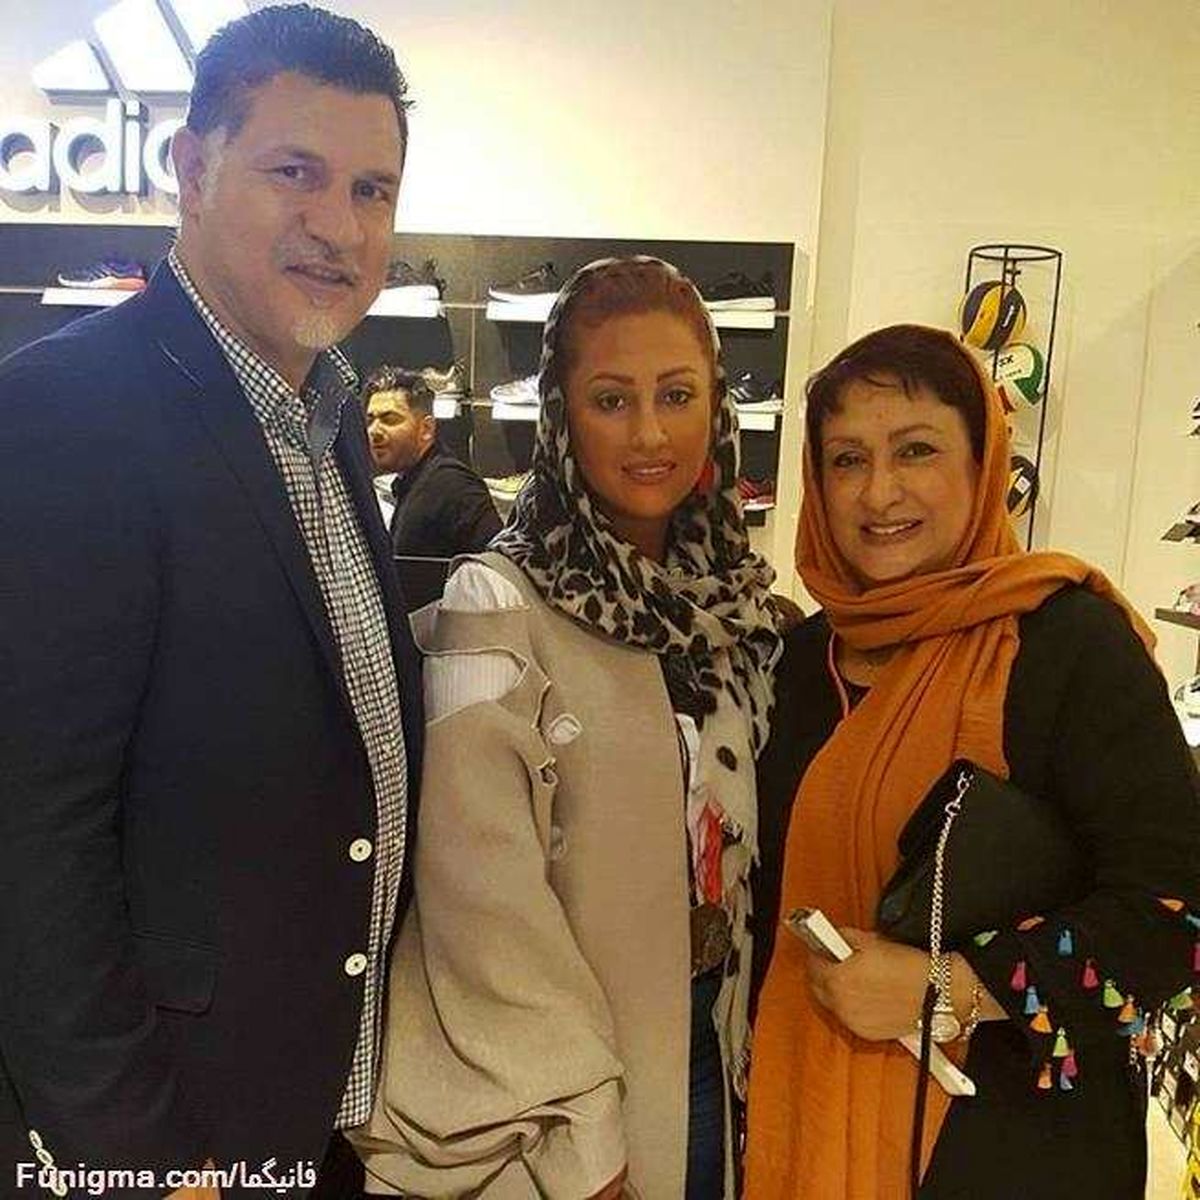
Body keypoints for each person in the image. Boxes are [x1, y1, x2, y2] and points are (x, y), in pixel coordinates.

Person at [0, 6, 423, 1197]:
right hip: (161, 1139)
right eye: (297, 173)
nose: (340, 226)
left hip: (305, 1113)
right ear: (192, 169)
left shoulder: (329, 420)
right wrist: (141, 1160)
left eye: (373, 190)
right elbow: (30, 839)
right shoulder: (64, 416)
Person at [350, 257, 782, 1199]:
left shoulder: (733, 609)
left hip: (713, 1048)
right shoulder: (500, 601)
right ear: (560, 416)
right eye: (611, 400)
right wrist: (581, 1130)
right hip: (560, 1096)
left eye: (678, 395)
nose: (650, 433)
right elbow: (480, 892)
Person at [744, 323, 1200, 1199]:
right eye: (846, 460)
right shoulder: (797, 663)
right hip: (808, 1117)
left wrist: (953, 986)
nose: (879, 491)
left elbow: (1175, 915)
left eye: (916, 450)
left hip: (1019, 1148)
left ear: (983, 462)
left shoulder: (1067, 645)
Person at [364, 365, 502, 558]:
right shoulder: (416, 482)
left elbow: (495, 565)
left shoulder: (453, 486)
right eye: (370, 420)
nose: (374, 431)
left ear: (426, 429)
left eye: (390, 419)